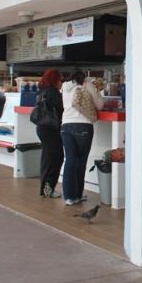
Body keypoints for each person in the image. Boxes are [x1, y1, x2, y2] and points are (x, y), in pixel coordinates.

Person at [60, 70, 103, 205]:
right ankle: (77, 195)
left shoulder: (64, 87)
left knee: (70, 160)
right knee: (81, 161)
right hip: (83, 126)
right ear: (84, 77)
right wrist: (98, 92)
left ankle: (69, 197)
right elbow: (100, 106)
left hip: (66, 126)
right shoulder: (87, 85)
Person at [35, 68, 64, 198]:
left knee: (48, 158)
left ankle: (45, 189)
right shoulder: (53, 92)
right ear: (55, 79)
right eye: (60, 79)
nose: (61, 82)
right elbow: (61, 109)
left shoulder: (42, 91)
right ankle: (48, 189)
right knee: (55, 158)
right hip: (51, 129)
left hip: (42, 128)